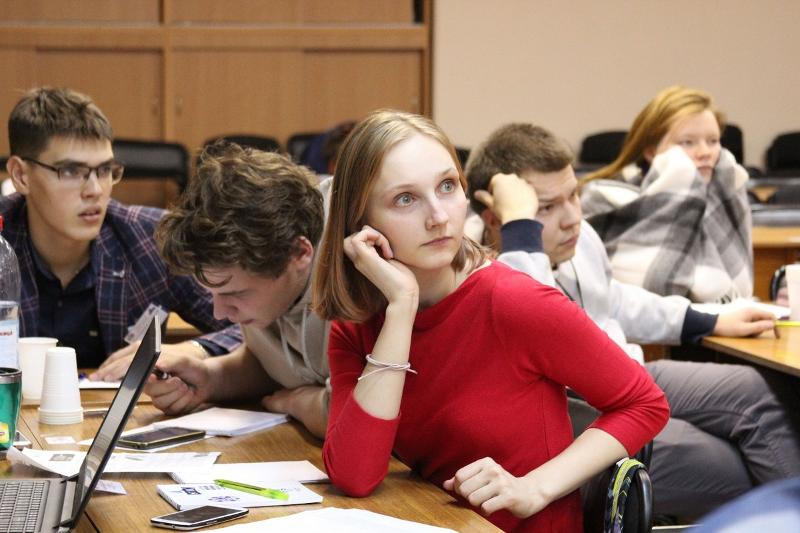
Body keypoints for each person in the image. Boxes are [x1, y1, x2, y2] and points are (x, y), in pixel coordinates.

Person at [312, 109, 669, 532]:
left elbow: (645, 403)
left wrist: (535, 487)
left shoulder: (514, 301)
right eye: (405, 199)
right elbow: (355, 476)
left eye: (447, 186)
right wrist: (402, 307)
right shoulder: (359, 325)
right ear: (361, 221)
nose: (438, 217)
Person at [465, 122, 800, 518]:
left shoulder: (577, 238)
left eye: (574, 195)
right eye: (546, 207)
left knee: (758, 391)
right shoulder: (478, 270)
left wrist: (707, 320)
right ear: (497, 217)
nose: (573, 218)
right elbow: (541, 319)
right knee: (734, 464)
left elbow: (613, 299)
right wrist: (522, 233)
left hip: (630, 377)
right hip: (579, 415)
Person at [1, 87, 241, 370]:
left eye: (104, 170)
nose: (94, 190)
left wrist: (194, 349)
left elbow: (254, 327)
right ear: (21, 175)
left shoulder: (151, 237)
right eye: (71, 171)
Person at [142, 142, 331, 438]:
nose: (220, 313)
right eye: (213, 293)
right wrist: (210, 377)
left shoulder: (353, 271)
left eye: (234, 294)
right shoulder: (265, 280)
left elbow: (355, 417)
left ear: (298, 253)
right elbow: (271, 363)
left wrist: (294, 402)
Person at [581, 86, 752, 303]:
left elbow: (741, 290)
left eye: (713, 141)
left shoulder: (725, 197)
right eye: (687, 142)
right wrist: (680, 188)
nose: (705, 153)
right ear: (651, 152)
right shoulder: (603, 199)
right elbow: (656, 289)